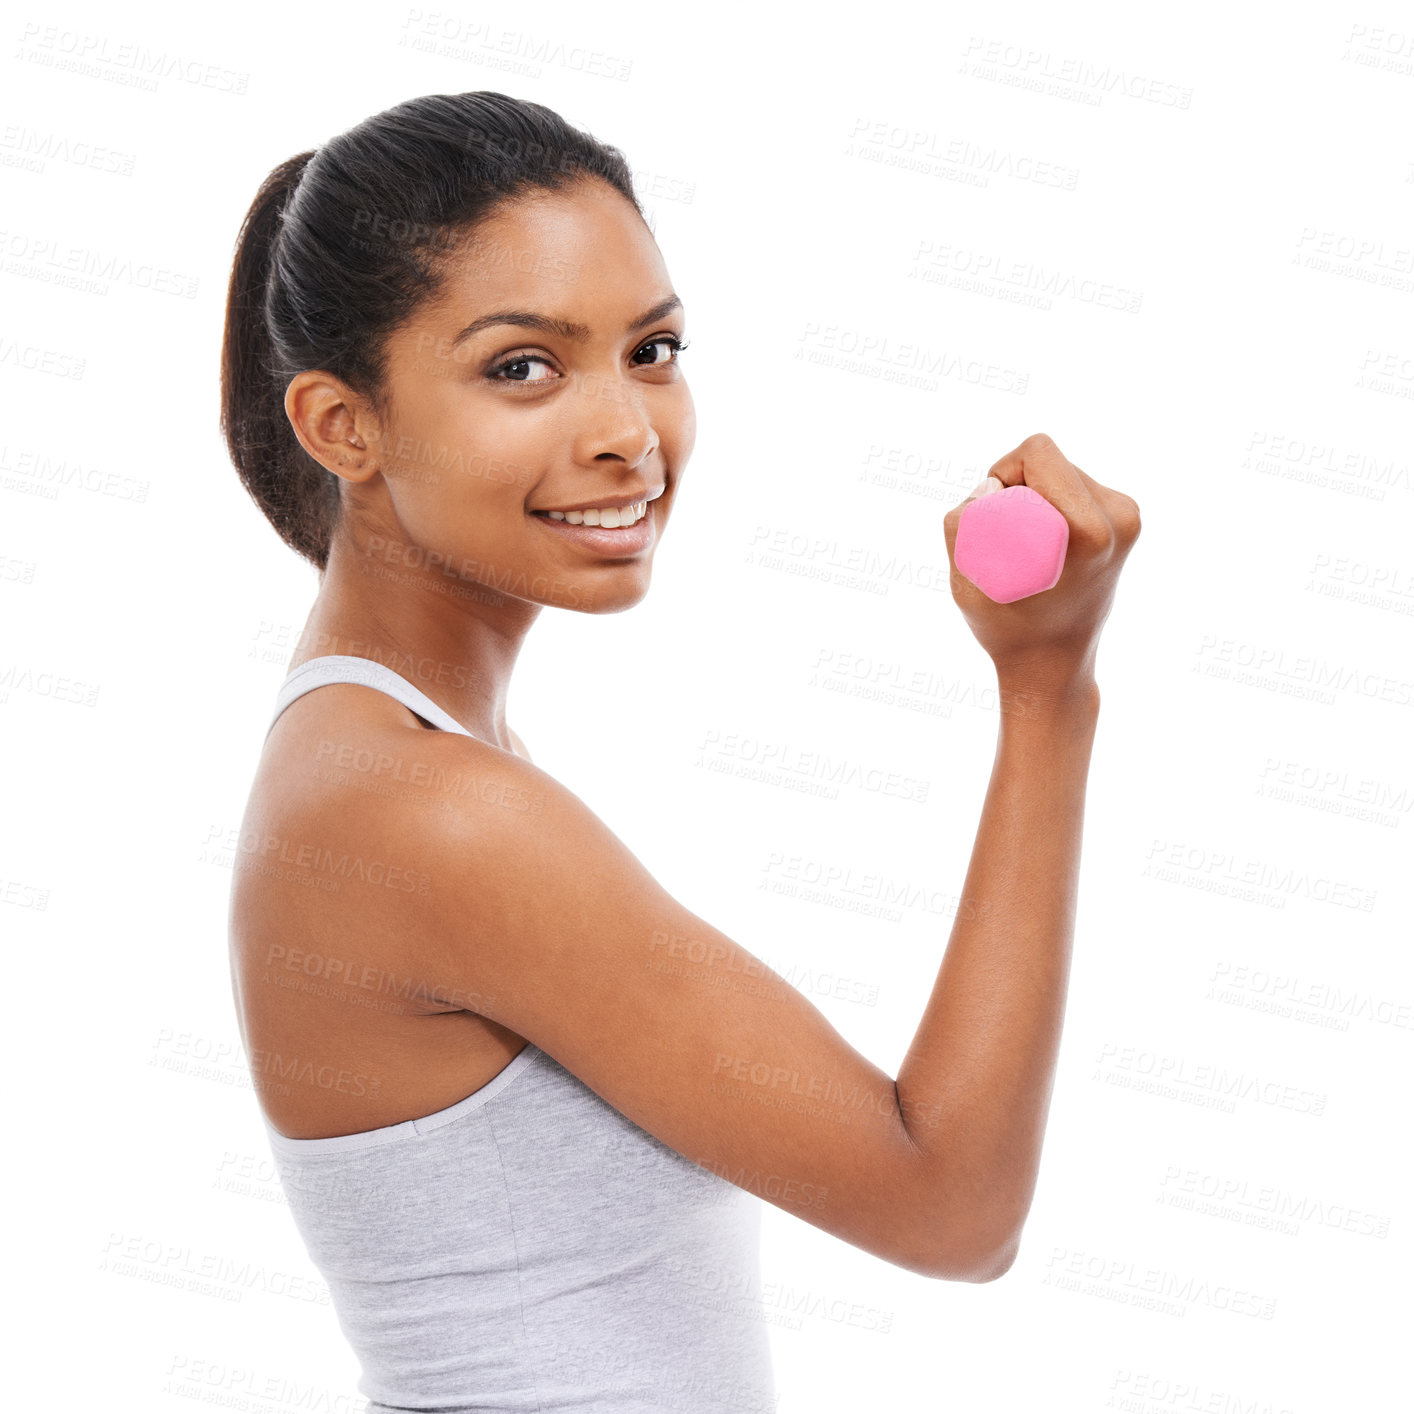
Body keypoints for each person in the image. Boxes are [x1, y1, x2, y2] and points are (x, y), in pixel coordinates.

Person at [221, 90, 1141, 1414]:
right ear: (339, 425)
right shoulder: (430, 812)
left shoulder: (388, 754)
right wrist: (1047, 690)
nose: (627, 432)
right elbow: (949, 1204)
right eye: (521, 366)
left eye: (650, 349)